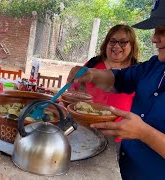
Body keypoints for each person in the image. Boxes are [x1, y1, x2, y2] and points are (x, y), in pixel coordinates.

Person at [67, 0, 165, 179]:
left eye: (163, 31)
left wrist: (145, 133)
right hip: (122, 169)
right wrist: (92, 74)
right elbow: (119, 79)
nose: (154, 38)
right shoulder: (154, 66)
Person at [71, 24, 139, 142]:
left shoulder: (138, 72)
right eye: (112, 41)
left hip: (120, 138)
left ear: (132, 46)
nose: (117, 46)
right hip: (85, 131)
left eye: (123, 42)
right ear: (106, 44)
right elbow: (73, 90)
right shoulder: (92, 65)